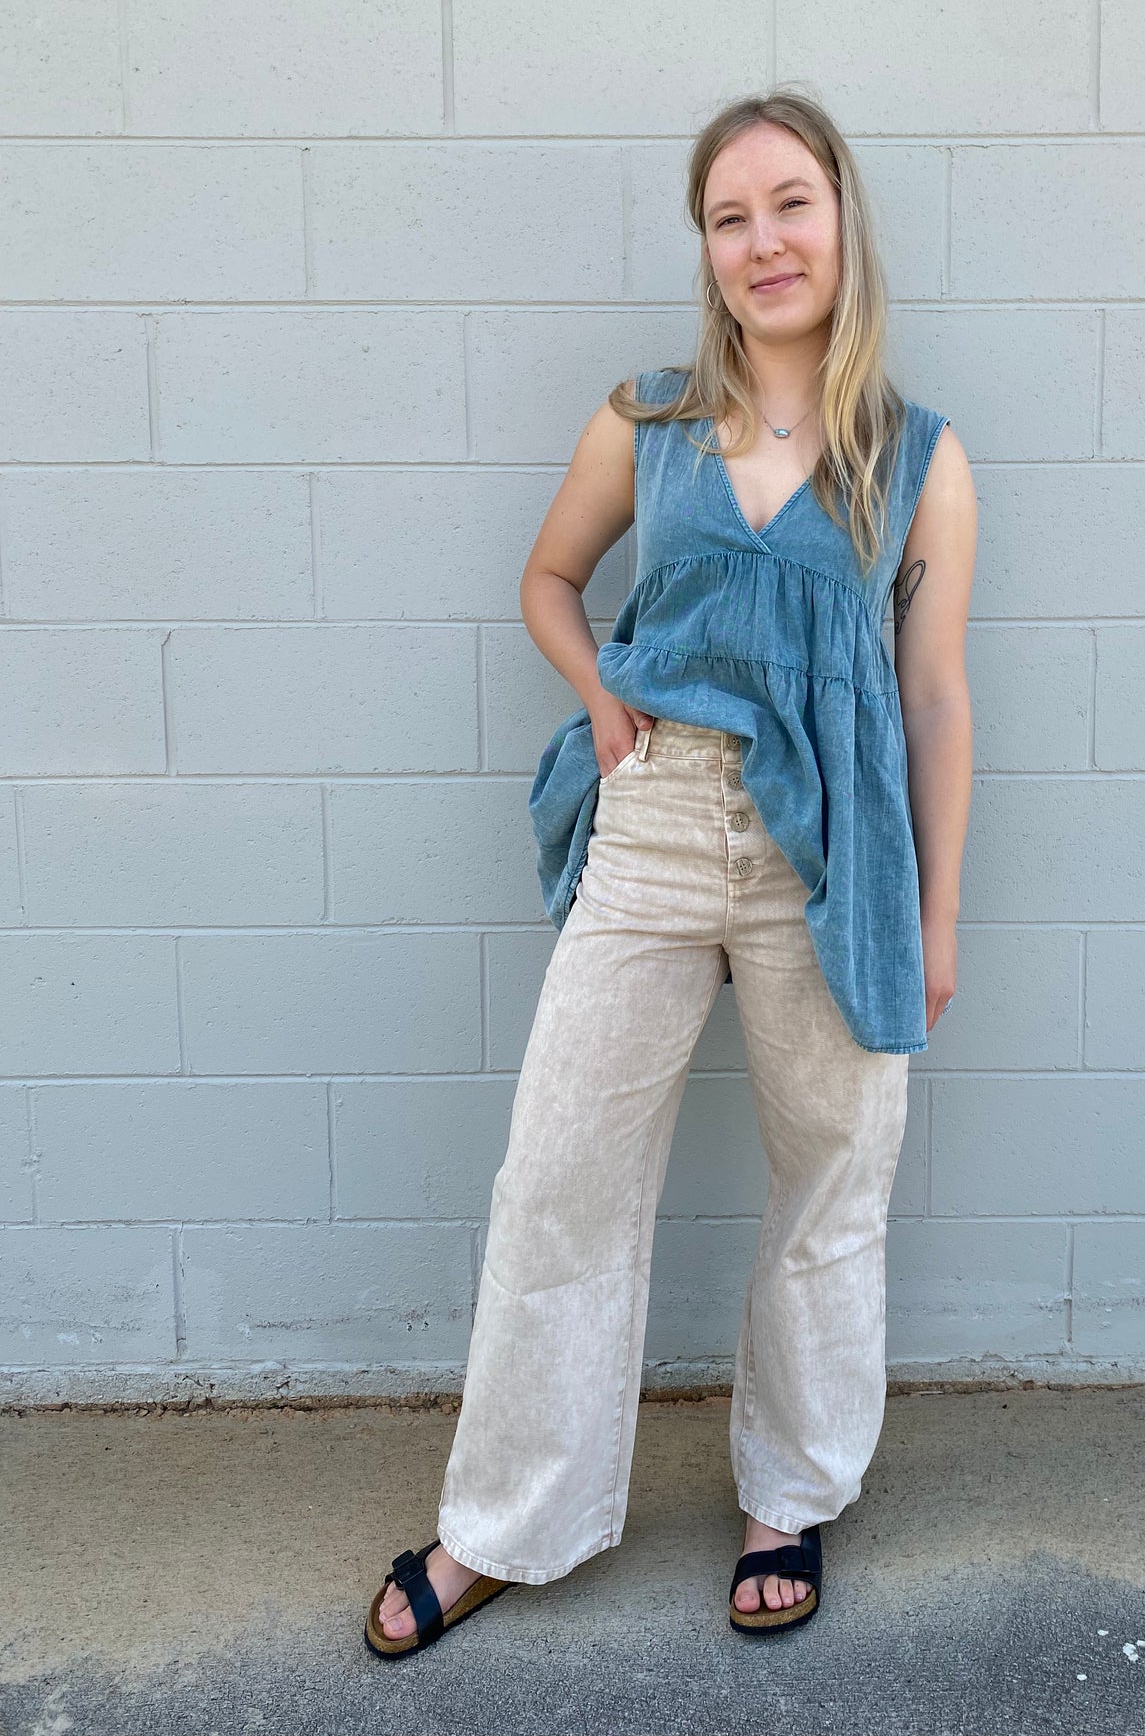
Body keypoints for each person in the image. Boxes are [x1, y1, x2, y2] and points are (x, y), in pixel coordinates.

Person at [364, 87, 977, 1658]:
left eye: (789, 204)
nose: (762, 241)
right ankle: (509, 1518)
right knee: (558, 1175)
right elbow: (549, 578)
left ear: (842, 221)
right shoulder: (641, 420)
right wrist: (597, 693)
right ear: (703, 249)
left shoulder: (915, 460)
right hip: (652, 824)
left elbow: (930, 696)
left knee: (831, 1182)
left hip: (831, 853)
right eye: (728, 216)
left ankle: (789, 1494)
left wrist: (936, 911)